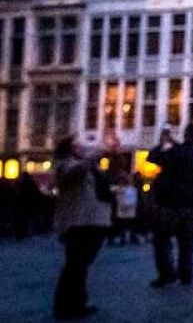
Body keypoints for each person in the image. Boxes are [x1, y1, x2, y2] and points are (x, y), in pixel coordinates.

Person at [52, 134, 112, 320]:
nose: (82, 147)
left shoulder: (91, 167)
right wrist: (97, 151)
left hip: (94, 220)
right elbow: (75, 171)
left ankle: (77, 302)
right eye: (78, 145)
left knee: (82, 264)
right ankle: (65, 305)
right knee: (75, 264)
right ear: (69, 149)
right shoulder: (64, 165)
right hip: (78, 221)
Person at [148, 123, 193, 288]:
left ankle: (166, 273)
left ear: (186, 133)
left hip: (168, 203)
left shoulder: (174, 151)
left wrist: (163, 141)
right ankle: (185, 274)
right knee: (187, 243)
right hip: (191, 204)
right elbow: (185, 152)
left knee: (161, 240)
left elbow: (152, 157)